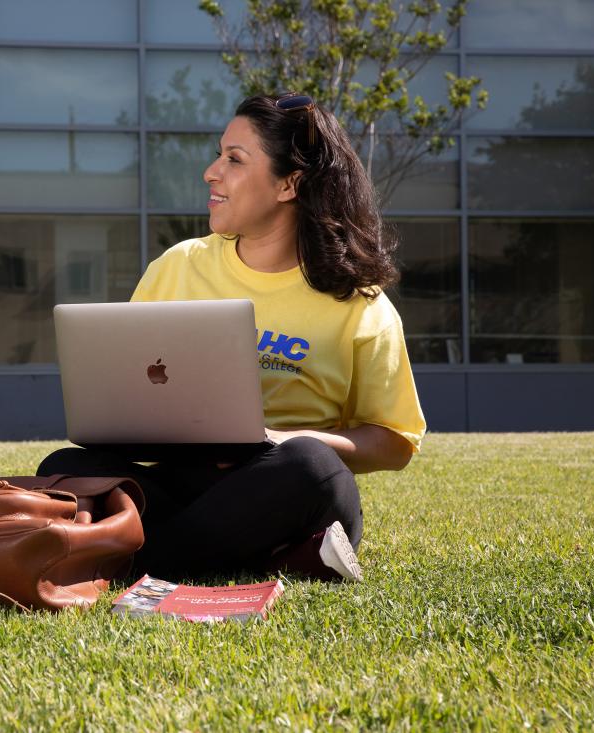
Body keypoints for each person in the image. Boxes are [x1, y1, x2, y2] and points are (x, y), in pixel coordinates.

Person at [37, 93, 426, 582]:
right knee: (68, 464)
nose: (211, 172)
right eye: (219, 154)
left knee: (314, 468)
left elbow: (394, 443)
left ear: (289, 184)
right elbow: (133, 386)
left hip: (279, 488)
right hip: (183, 481)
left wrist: (287, 438)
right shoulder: (178, 266)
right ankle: (275, 558)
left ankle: (131, 561)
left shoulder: (360, 304)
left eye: (234, 160)